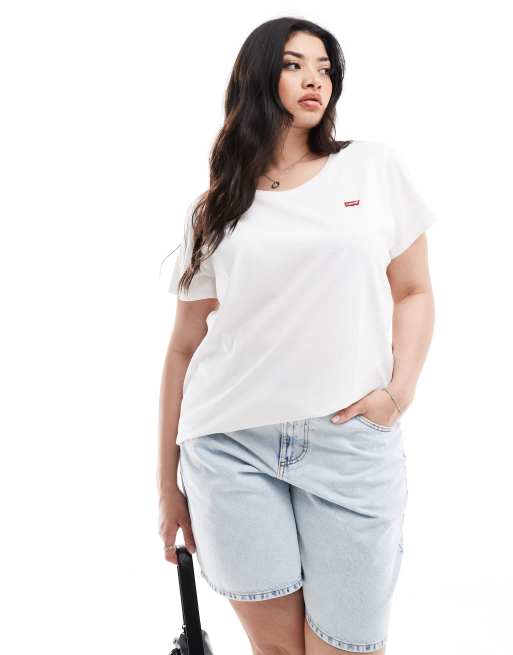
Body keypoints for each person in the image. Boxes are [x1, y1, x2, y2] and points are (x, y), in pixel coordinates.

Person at [157, 17, 438, 655]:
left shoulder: (372, 168)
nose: (315, 79)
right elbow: (183, 348)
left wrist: (399, 393)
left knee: (347, 647)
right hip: (230, 447)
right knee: (279, 651)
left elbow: (414, 291)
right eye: (293, 64)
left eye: (325, 67)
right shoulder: (218, 207)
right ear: (259, 77)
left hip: (349, 443)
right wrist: (167, 486)